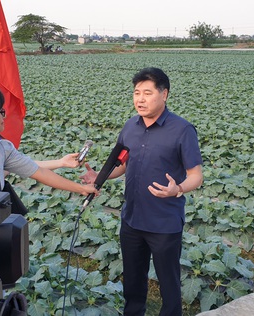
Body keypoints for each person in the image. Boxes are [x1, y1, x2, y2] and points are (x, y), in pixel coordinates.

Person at [80, 67, 203, 315]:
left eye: (148, 93)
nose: (140, 99)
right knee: (133, 281)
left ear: (164, 94)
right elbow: (123, 164)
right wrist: (98, 176)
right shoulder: (130, 127)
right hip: (132, 219)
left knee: (169, 282)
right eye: (137, 93)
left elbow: (196, 176)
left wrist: (177, 189)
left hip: (164, 222)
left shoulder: (182, 130)